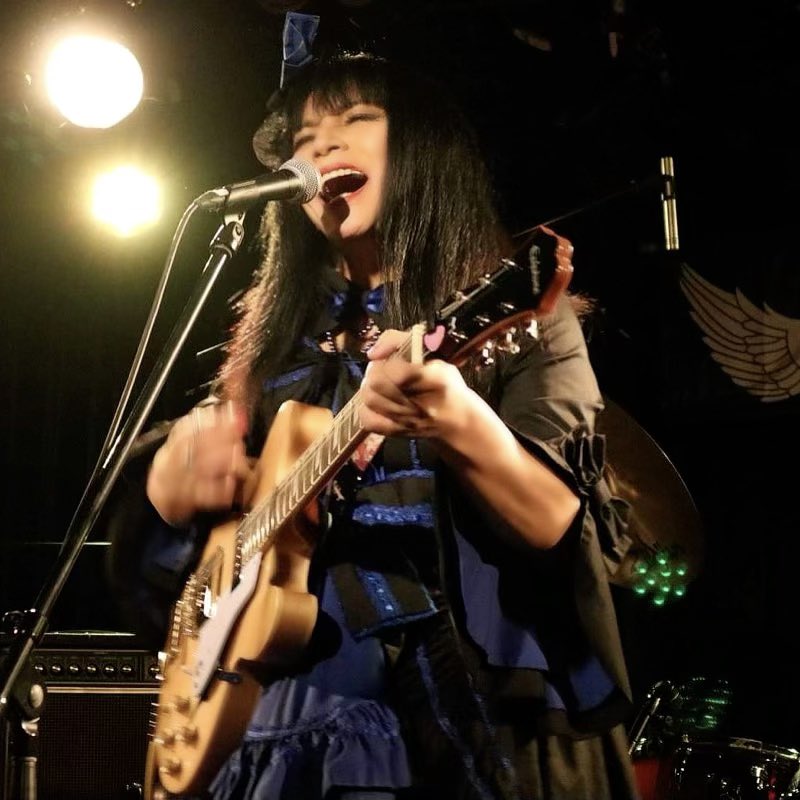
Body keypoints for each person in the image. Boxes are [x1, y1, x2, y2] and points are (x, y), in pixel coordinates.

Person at [106, 51, 640, 800]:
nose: (322, 145)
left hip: (467, 713)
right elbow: (209, 572)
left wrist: (458, 419)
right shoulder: (273, 352)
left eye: (356, 119)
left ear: (423, 149)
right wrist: (167, 493)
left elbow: (559, 523)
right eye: (303, 137)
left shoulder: (517, 317)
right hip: (281, 706)